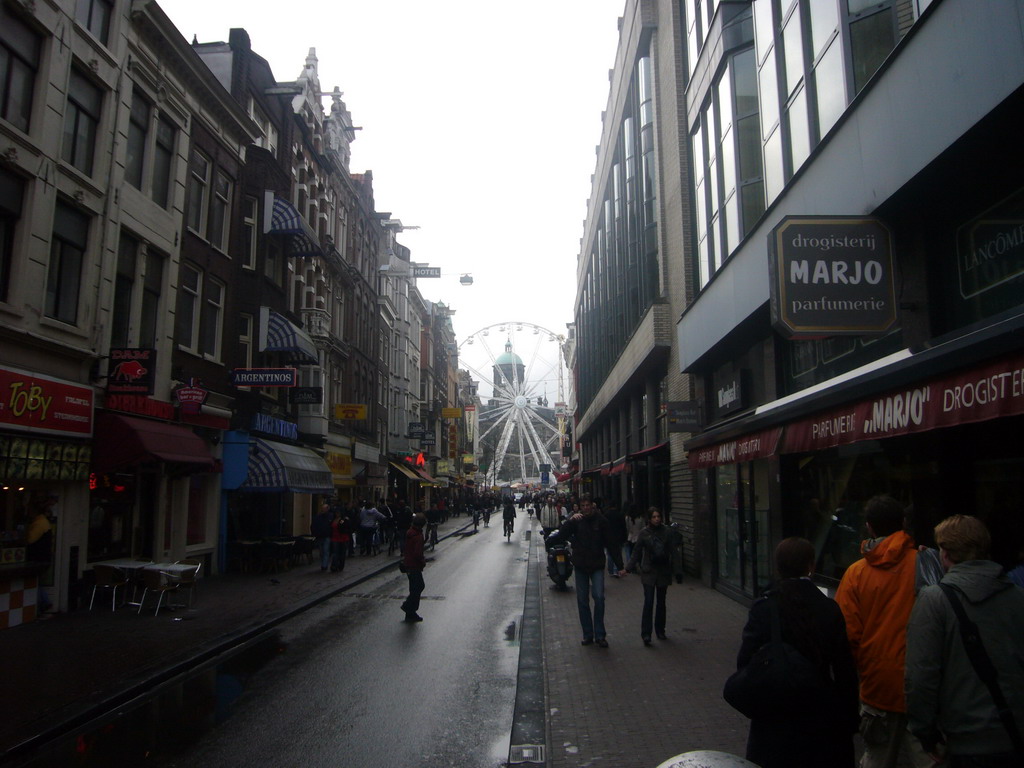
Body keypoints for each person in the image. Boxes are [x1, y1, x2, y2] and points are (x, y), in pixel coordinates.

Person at [906, 515, 1024, 767]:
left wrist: (925, 732)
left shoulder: (934, 601)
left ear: (946, 553)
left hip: (965, 740)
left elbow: (920, 676)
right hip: (1016, 734)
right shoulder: (1017, 596)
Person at [735, 537, 859, 768]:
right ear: (810, 566)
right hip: (818, 712)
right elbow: (844, 669)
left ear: (778, 567)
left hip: (775, 715)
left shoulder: (764, 608)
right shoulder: (828, 608)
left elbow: (745, 661)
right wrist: (849, 718)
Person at [834, 494, 930, 768]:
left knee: (877, 758)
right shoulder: (923, 563)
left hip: (877, 683)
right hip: (921, 680)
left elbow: (848, 634)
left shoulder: (855, 574)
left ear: (869, 527)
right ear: (903, 523)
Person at [547, 496, 623, 648]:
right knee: (582, 601)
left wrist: (620, 565)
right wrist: (570, 521)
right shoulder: (576, 521)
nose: (586, 508)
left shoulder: (601, 521)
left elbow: (611, 543)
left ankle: (600, 634)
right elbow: (562, 535)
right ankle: (588, 634)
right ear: (580, 507)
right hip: (581, 565)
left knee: (599, 597)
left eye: (588, 505)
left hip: (596, 565)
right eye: (583, 505)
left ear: (592, 506)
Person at [622, 507, 675, 644]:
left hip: (663, 570)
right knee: (649, 602)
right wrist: (627, 568)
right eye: (654, 517)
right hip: (649, 571)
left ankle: (660, 630)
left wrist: (677, 570)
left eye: (658, 516)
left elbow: (673, 551)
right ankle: (646, 633)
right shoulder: (644, 533)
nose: (657, 519)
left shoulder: (666, 532)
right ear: (649, 519)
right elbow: (637, 552)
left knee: (661, 602)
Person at [26, 501, 54, 613]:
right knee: (37, 581)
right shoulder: (43, 522)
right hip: (43, 557)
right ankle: (44, 602)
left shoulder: (39, 523)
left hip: (38, 558)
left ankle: (43, 603)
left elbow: (30, 540)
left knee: (35, 580)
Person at [401, 513, 428, 622]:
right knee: (419, 586)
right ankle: (408, 607)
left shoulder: (410, 532)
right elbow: (417, 553)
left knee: (414, 587)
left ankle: (410, 613)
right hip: (414, 565)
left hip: (408, 563)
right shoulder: (417, 536)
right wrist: (422, 561)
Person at [604, 505, 627, 578]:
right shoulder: (620, 515)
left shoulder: (606, 515)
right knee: (617, 553)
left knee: (609, 554)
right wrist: (624, 537)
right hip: (618, 537)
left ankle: (611, 571)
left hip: (609, 537)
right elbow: (623, 527)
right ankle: (616, 570)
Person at [311, 503, 333, 571]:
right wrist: (315, 533)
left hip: (327, 536)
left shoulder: (331, 516)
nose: (323, 510)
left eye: (324, 508)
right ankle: (324, 563)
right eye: (322, 508)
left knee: (326, 551)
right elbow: (313, 526)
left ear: (327, 509)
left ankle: (324, 566)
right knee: (321, 552)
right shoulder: (318, 517)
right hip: (319, 536)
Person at [329, 506, 351, 573]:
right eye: (336, 513)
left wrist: (344, 530)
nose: (337, 514)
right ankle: (334, 566)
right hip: (335, 538)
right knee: (335, 553)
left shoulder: (344, 520)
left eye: (338, 513)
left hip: (343, 538)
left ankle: (340, 565)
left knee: (342, 553)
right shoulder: (333, 520)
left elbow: (348, 528)